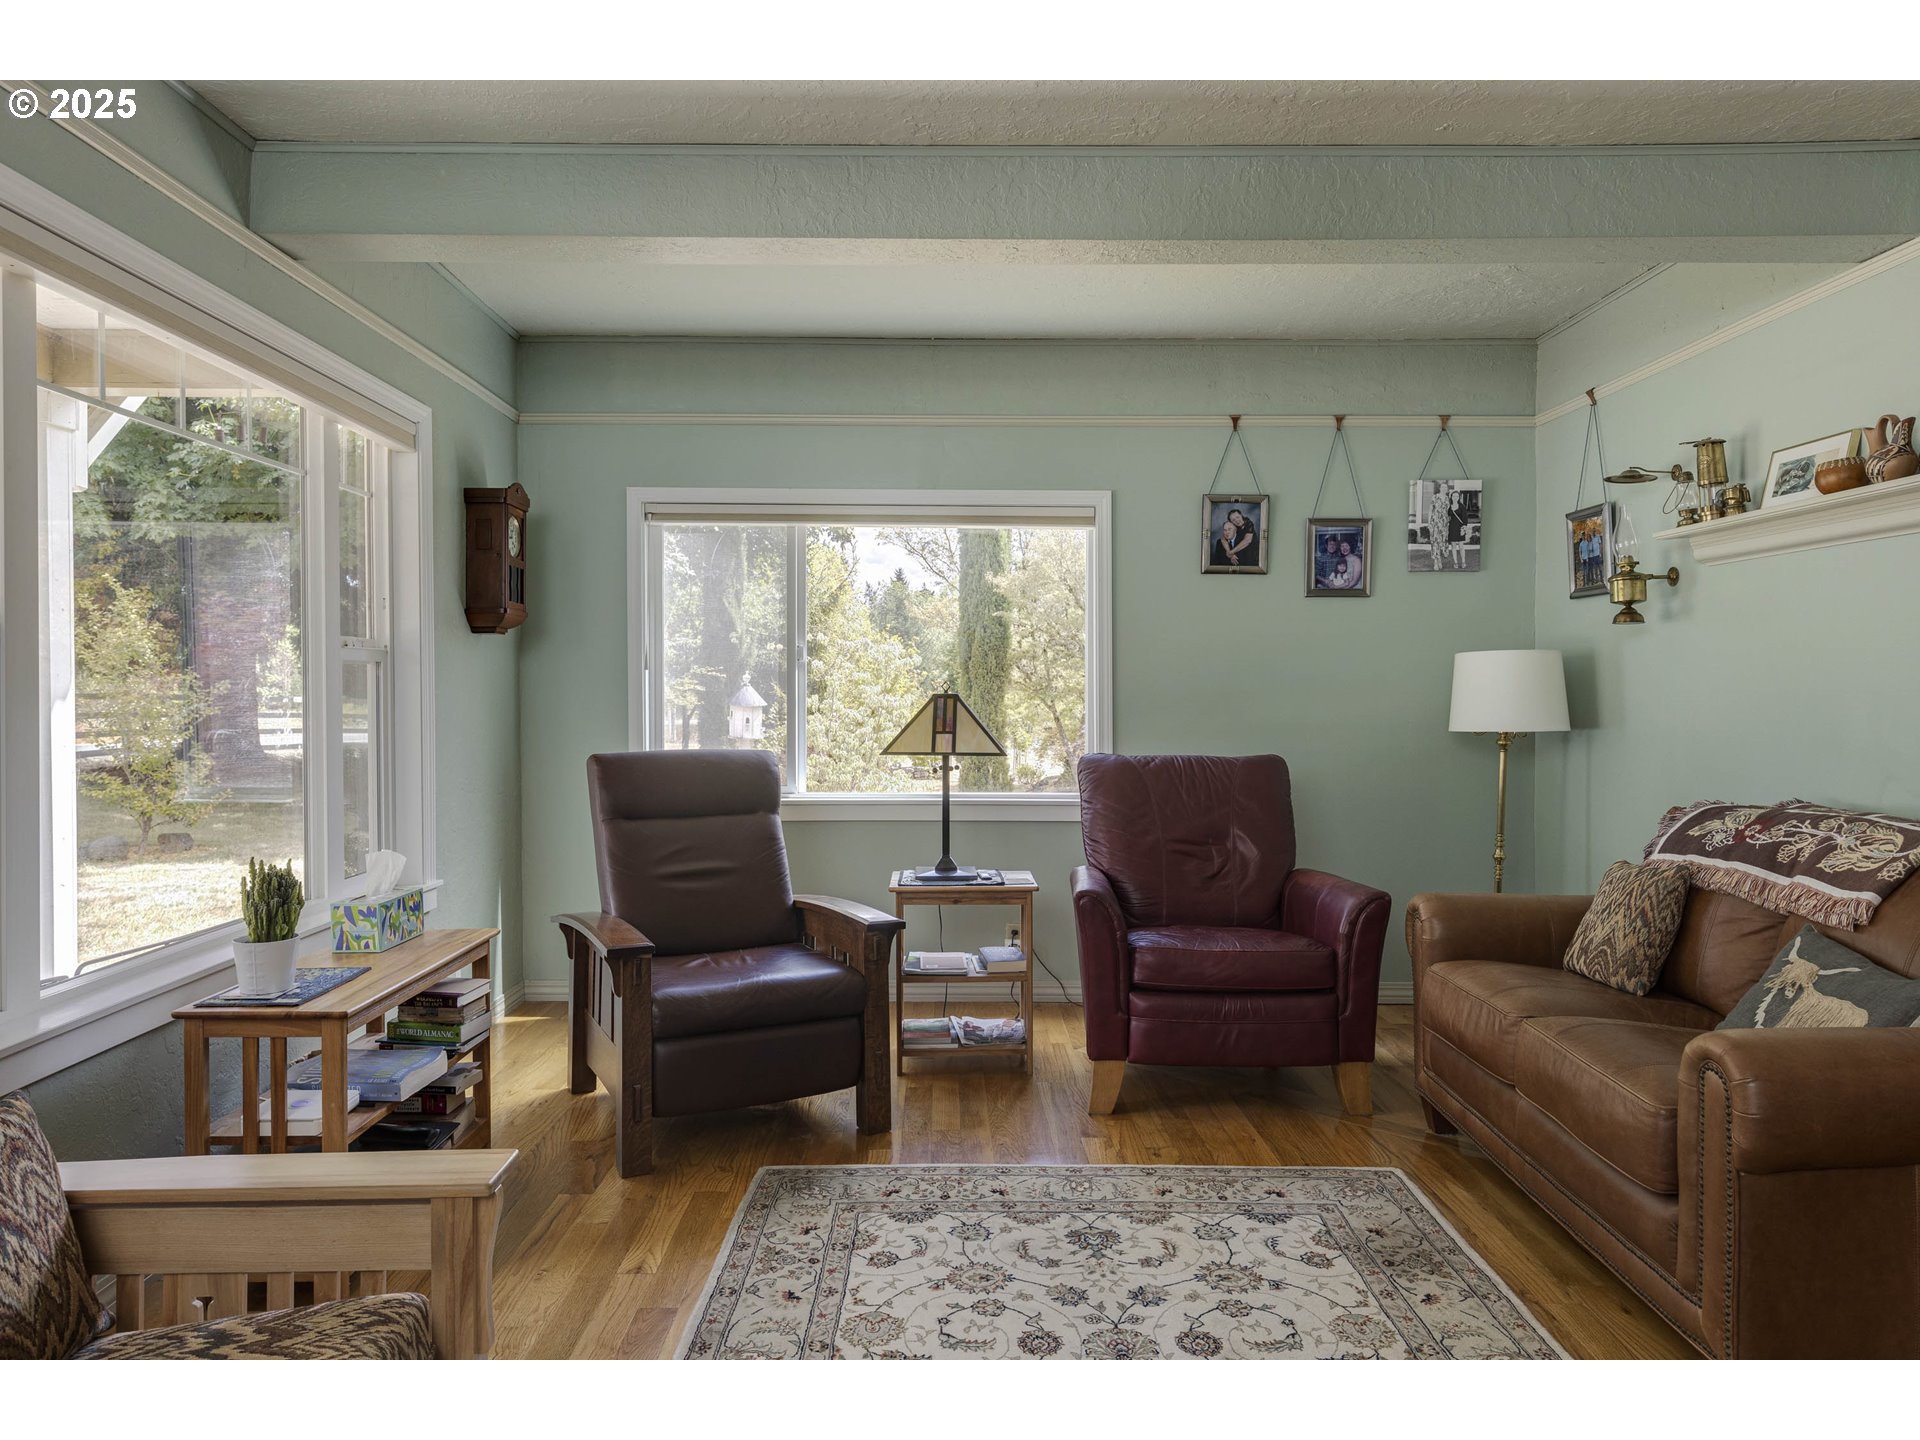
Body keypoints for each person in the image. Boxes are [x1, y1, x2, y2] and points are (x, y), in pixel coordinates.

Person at [1427, 482, 1451, 571]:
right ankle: (1436, 562)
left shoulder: (1447, 498)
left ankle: (1440, 558)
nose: (1444, 488)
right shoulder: (1435, 497)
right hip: (1435, 522)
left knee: (1442, 542)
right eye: (1443, 487)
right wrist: (1429, 523)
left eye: (1446, 487)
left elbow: (1448, 512)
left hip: (1444, 523)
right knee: (1435, 541)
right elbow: (1430, 510)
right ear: (1440, 488)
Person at [1447, 489, 1470, 569]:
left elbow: (1465, 518)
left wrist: (1464, 527)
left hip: (1460, 528)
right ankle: (1455, 563)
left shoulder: (1462, 506)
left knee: (1461, 546)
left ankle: (1463, 562)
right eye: (1454, 496)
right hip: (1452, 527)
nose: (1455, 497)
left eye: (1457, 496)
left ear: (1459, 497)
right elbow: (1447, 517)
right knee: (1453, 546)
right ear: (1451, 497)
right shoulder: (1449, 506)